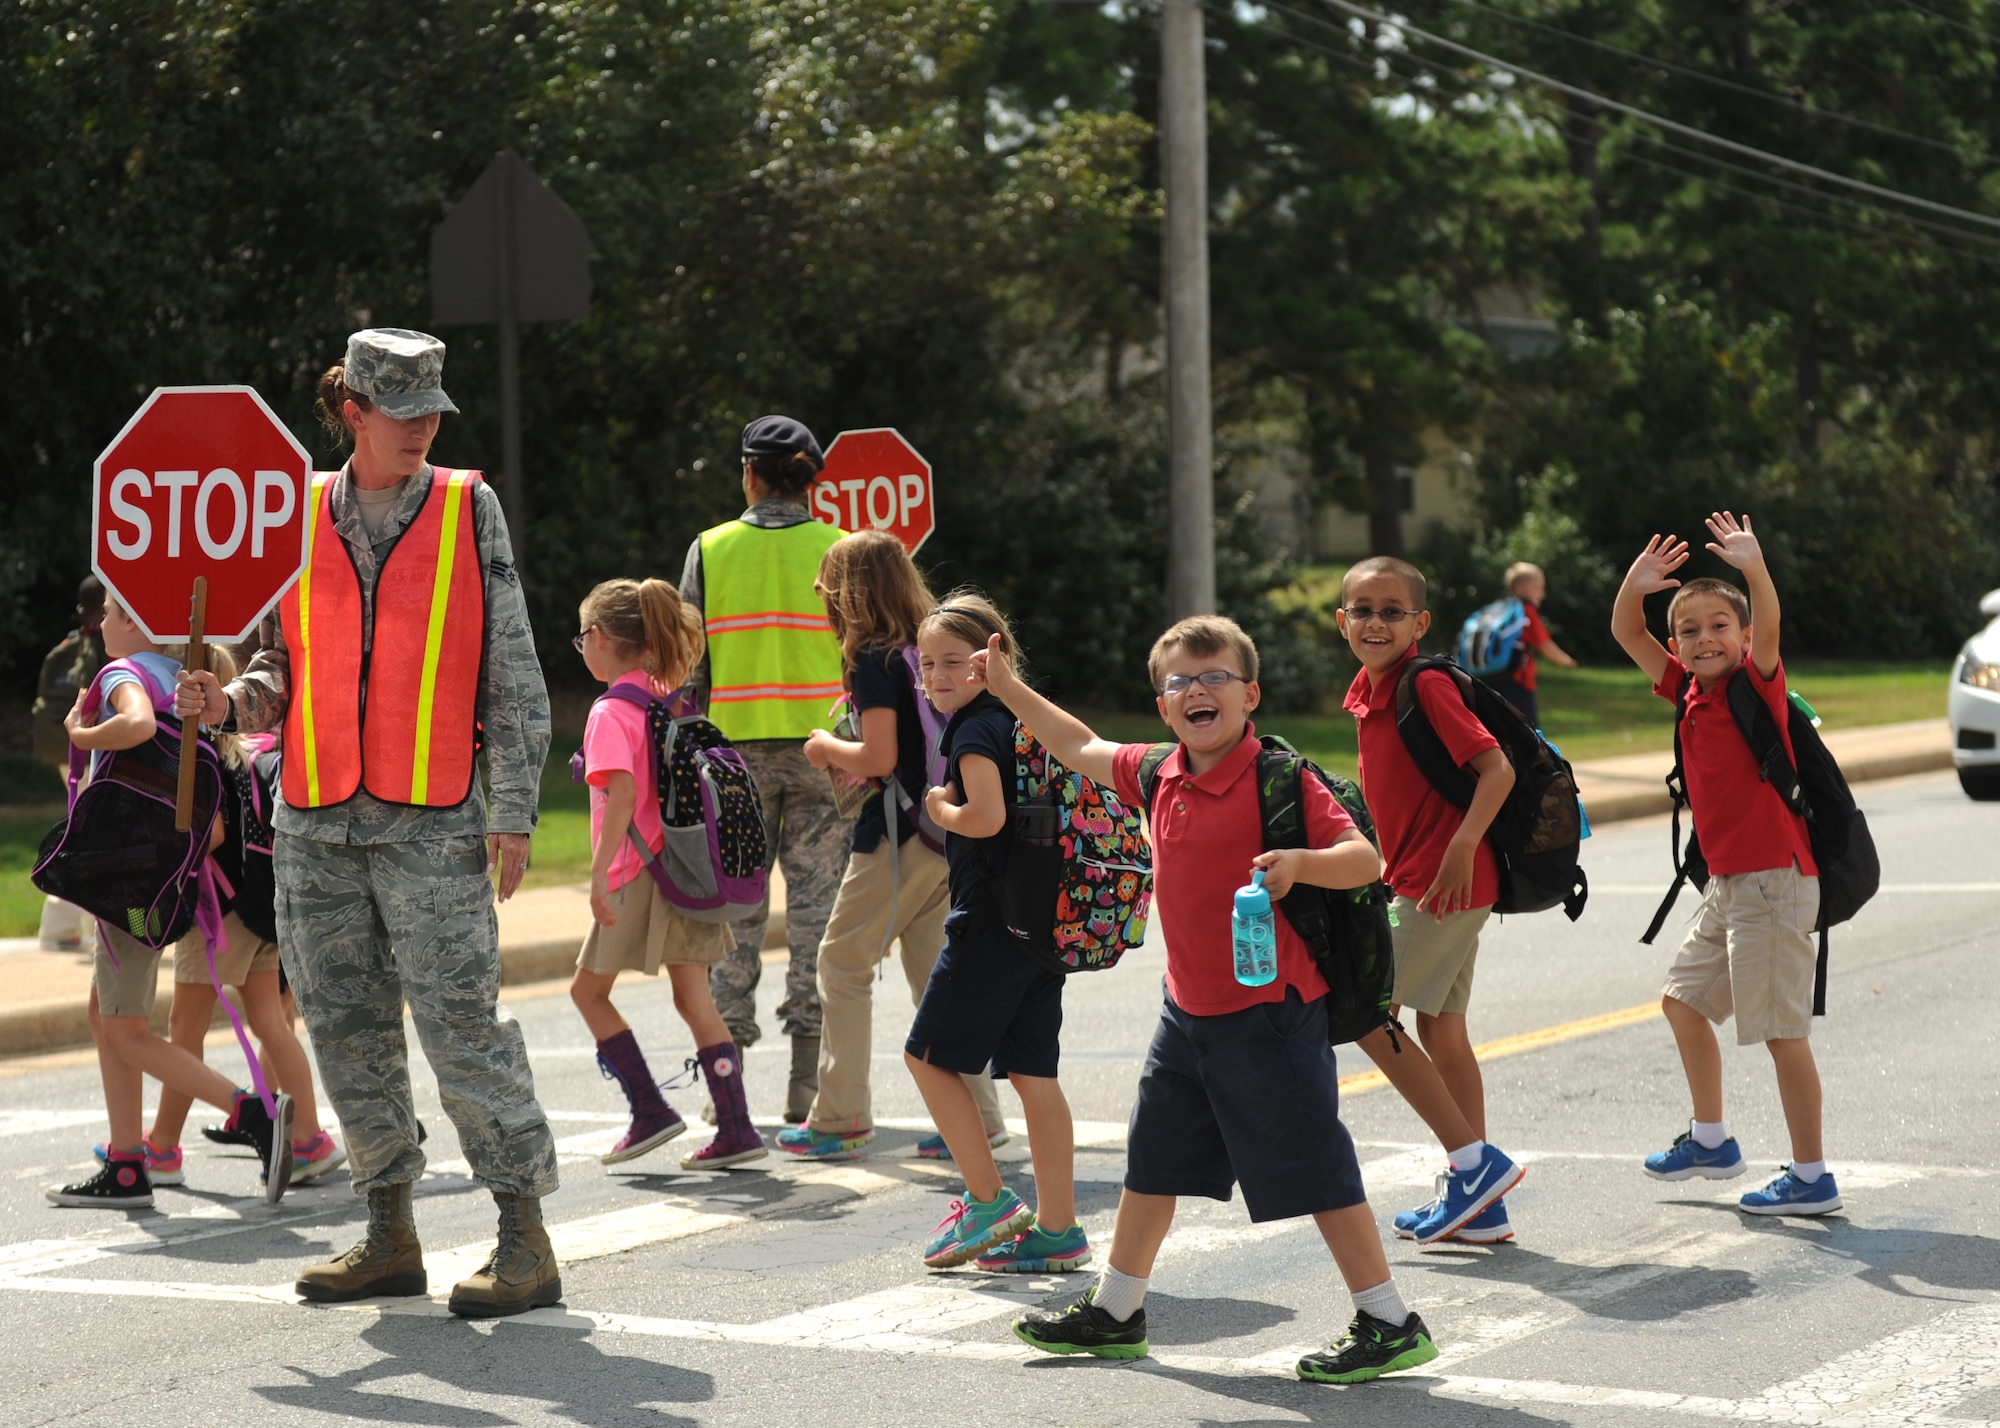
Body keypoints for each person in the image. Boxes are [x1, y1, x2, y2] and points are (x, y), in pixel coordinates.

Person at [175, 328, 562, 1317]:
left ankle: (524, 1235)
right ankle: (389, 1229)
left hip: (433, 814)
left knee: (461, 1027)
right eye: (405, 412)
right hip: (314, 817)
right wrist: (227, 705)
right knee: (347, 1031)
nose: (425, 427)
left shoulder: (467, 505)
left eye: (434, 409)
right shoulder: (293, 510)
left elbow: (512, 666)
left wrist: (513, 809)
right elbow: (276, 669)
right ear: (353, 412)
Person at [985, 613, 1438, 1382]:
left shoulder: (1279, 777)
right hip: (1186, 1015)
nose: (1197, 690)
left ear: (1249, 693)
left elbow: (1363, 859)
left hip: (1268, 1015)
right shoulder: (1158, 772)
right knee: (1152, 1165)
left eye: (1214, 677)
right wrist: (1005, 686)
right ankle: (1117, 1312)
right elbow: (1079, 746)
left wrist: (1298, 862)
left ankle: (1390, 1320)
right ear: (1164, 708)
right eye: (1180, 682)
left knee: (1318, 1169)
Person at [1611, 513, 1840, 1215]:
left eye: (1719, 626)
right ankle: (1710, 1140)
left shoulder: (1756, 683)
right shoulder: (1684, 688)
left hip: (1774, 879)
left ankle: (1811, 1178)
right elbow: (1627, 633)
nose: (1704, 639)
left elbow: (1768, 623)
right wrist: (1635, 587)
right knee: (1683, 1001)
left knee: (1781, 1034)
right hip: (1731, 883)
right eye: (1689, 630)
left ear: (1741, 639)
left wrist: (1755, 569)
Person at [47, 598, 294, 1210]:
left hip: (122, 876)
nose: (100, 622)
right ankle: (127, 1157)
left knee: (126, 1029)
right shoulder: (180, 682)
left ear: (134, 624)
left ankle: (252, 1112)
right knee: (107, 1015)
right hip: (161, 878)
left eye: (107, 611)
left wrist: (80, 732)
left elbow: (130, 728)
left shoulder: (123, 675)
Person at [779, 532, 1012, 1161]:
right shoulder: (921, 648)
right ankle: (981, 1118)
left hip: (896, 835)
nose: (821, 598)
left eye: (827, 587)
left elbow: (879, 757)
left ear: (848, 593)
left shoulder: (873, 661)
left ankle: (841, 1115)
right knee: (936, 976)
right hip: (945, 836)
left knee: (841, 964)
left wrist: (825, 748)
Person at [1338, 556, 1528, 1246]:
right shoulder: (1369, 691)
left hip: (1446, 882)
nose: (1376, 622)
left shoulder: (1425, 685)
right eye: (1362, 610)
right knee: (1441, 1029)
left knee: (1367, 1010)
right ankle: (1482, 1204)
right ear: (1342, 622)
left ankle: (1477, 1168)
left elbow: (1495, 769)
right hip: (1421, 876)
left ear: (1420, 623)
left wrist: (1459, 845)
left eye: (1392, 611)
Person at [899, 595, 1087, 1273]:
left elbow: (984, 816)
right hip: (1041, 920)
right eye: (928, 664)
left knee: (926, 1057)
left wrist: (940, 806)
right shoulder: (1018, 718)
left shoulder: (973, 729)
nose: (939, 676)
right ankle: (1059, 1229)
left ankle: (988, 1202)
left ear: (992, 659)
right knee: (1035, 1074)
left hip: (990, 919)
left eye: (956, 662)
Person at [680, 416, 850, 1122]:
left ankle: (728, 1097)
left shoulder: (712, 549)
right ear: (812, 479)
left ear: (749, 474)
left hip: (733, 760)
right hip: (826, 754)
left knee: (735, 920)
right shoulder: (842, 550)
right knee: (817, 916)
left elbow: (687, 663)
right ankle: (807, 1088)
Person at [570, 577, 768, 1170]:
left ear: (600, 639)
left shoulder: (610, 710)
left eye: (581, 638)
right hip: (686, 869)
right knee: (694, 997)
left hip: (637, 872)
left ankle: (650, 1110)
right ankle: (736, 1127)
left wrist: (599, 872)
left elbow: (623, 794)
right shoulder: (669, 698)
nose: (580, 649)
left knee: (588, 992)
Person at [139, 649, 344, 1187]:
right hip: (261, 904)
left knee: (184, 1030)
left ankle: (160, 1150)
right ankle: (310, 1140)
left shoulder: (197, 756)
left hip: (218, 913)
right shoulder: (241, 751)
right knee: (271, 1024)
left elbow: (214, 836)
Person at [33, 574, 107, 950]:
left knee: (84, 833)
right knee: (94, 837)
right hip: (92, 753)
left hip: (67, 752)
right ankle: (86, 929)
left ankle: (61, 929)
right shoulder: (106, 648)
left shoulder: (68, 648)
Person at [1494, 561, 1577, 730]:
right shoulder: (1525, 612)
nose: (1543, 594)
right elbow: (1545, 644)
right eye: (1538, 588)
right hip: (1518, 684)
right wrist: (1568, 661)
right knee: (1529, 736)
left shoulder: (1499, 610)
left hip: (1490, 682)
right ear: (1519, 588)